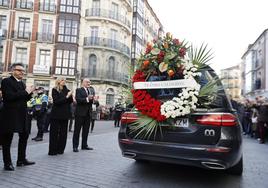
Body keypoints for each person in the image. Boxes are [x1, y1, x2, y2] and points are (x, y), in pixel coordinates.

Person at [0, 63, 36, 171]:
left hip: (22, 113)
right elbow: (9, 97)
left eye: (23, 71)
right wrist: (25, 92)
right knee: (7, 139)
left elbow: (24, 98)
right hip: (10, 114)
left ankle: (21, 160)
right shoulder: (6, 81)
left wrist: (30, 93)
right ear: (13, 71)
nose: (22, 73)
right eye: (20, 70)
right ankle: (7, 163)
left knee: (24, 135)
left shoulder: (22, 83)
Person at [48, 78, 73, 155]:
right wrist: (66, 97)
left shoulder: (67, 90)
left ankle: (60, 149)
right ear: (58, 82)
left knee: (63, 133)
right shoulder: (54, 90)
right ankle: (53, 150)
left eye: (65, 81)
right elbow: (56, 101)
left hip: (65, 114)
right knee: (54, 133)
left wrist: (70, 96)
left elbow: (70, 101)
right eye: (62, 80)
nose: (64, 82)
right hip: (56, 114)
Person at [73, 78, 95, 152]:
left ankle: (84, 145)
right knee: (77, 130)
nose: (89, 83)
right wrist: (87, 98)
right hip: (80, 113)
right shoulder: (79, 90)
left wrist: (93, 100)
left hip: (88, 114)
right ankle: (75, 146)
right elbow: (78, 100)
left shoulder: (90, 91)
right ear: (83, 83)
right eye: (87, 82)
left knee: (86, 131)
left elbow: (90, 102)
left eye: (89, 82)